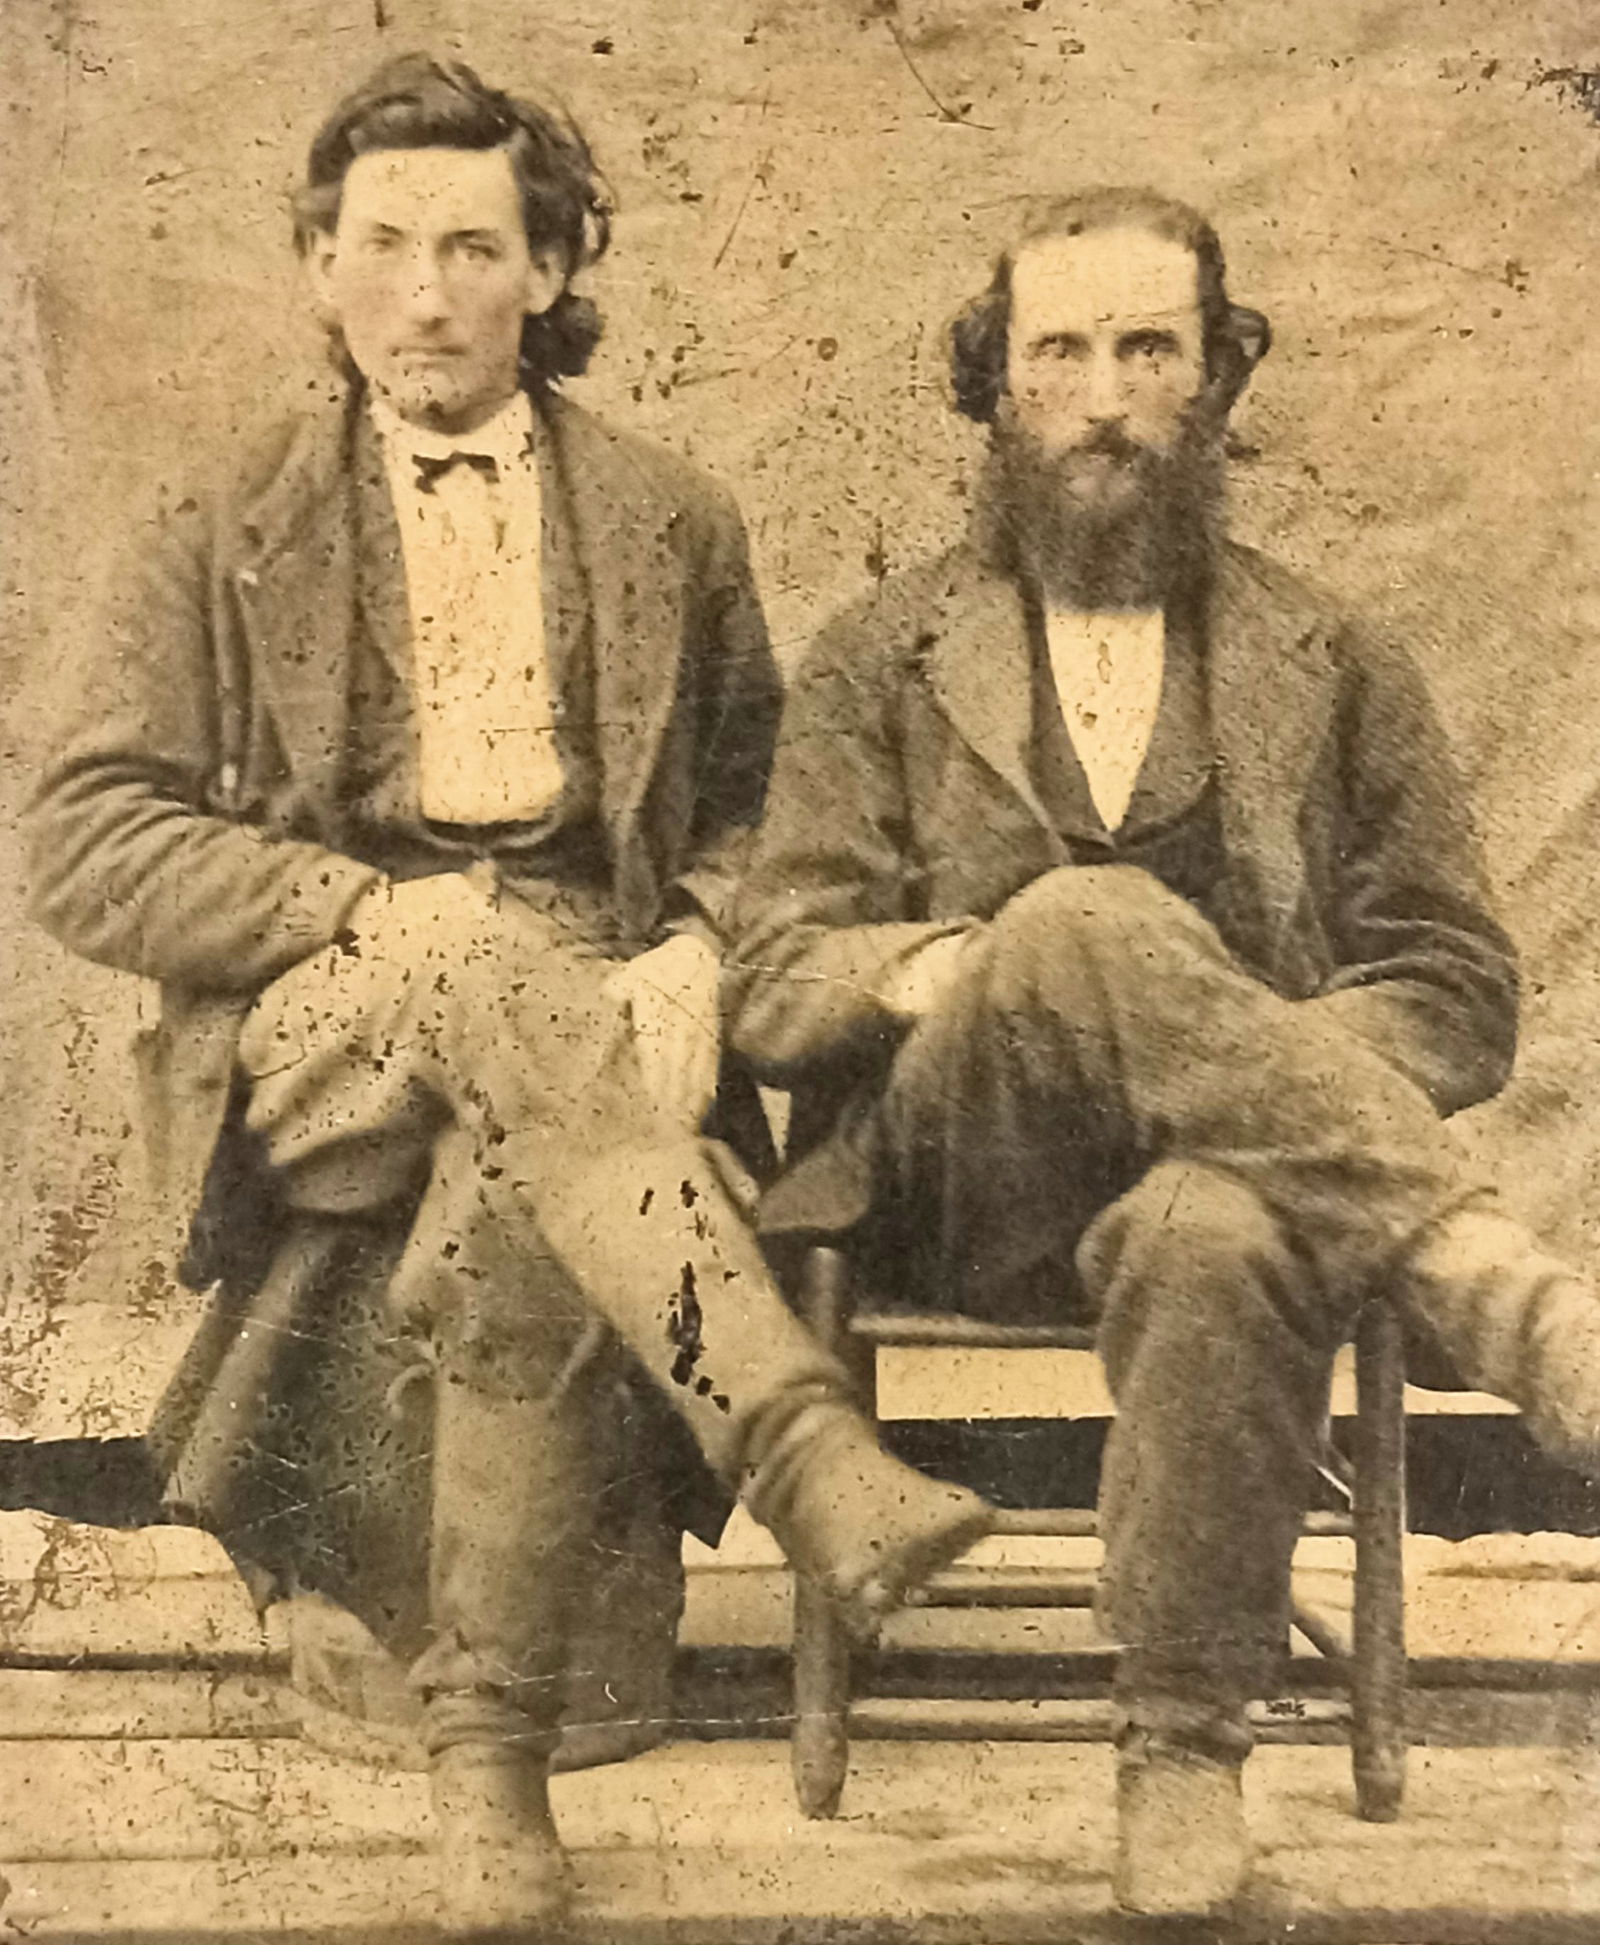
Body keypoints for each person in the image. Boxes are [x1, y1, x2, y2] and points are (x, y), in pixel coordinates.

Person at [25, 53, 993, 1935]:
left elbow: (757, 810)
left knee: (520, 1167)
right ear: (317, 267)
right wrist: (350, 906)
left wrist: (697, 943)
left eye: (473, 248)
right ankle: (799, 1440)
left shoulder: (669, 515)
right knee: (474, 955)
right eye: (380, 245)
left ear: (548, 271)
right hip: (318, 1010)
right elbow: (81, 838)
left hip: (591, 1020)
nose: (426, 293)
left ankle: (490, 1765)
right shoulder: (220, 516)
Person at [726, 186, 1600, 1917]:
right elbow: (775, 979)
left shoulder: (1332, 658)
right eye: (1060, 353)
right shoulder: (880, 655)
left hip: (1230, 1185)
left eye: (1151, 349)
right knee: (1082, 921)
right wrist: (957, 970)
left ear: (1219, 379)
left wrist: (1252, 1069)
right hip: (963, 1175)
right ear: (995, 385)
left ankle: (1183, 1747)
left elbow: (1453, 984)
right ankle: (1505, 1296)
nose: (1107, 398)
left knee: (1225, 1222)